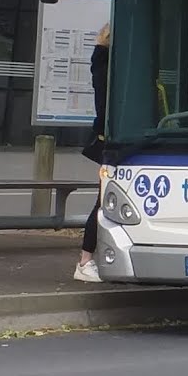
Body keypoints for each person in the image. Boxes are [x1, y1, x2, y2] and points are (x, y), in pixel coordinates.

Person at [74, 23, 111, 282]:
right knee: (103, 201)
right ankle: (85, 261)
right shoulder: (107, 68)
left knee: (103, 200)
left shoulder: (101, 65)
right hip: (111, 144)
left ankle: (87, 260)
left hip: (108, 142)